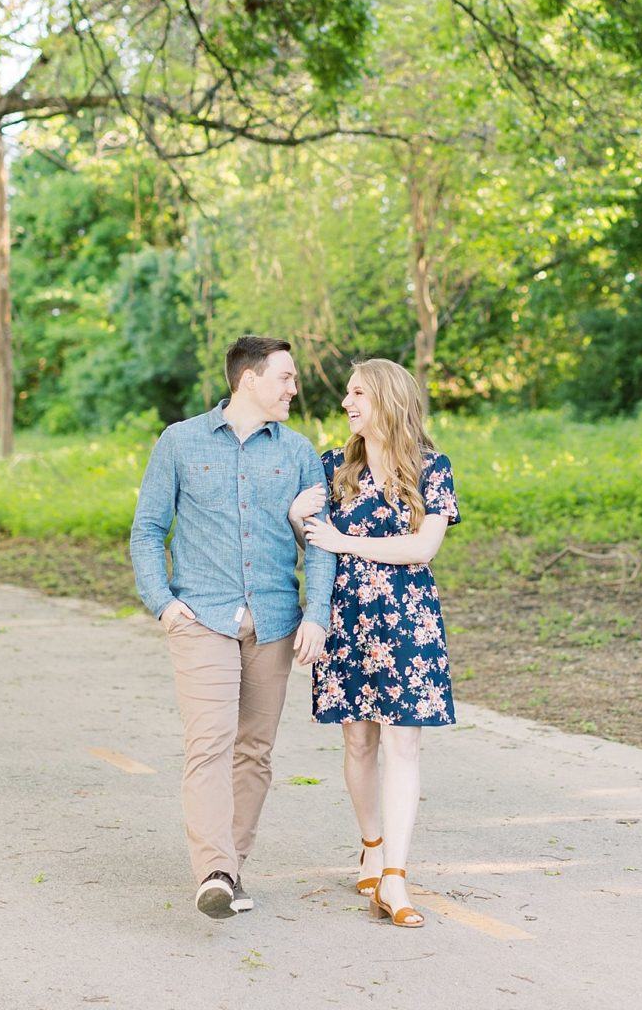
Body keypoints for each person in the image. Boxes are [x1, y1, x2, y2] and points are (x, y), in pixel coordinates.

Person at [130, 334, 333, 921]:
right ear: (250, 379)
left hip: (273, 620)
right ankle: (214, 869)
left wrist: (316, 613)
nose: (295, 387)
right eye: (286, 377)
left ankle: (232, 868)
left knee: (255, 751)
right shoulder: (179, 441)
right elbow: (148, 530)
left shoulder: (298, 451)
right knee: (210, 743)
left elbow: (317, 543)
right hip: (202, 618)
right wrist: (162, 603)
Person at [289, 357, 459, 929]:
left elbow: (422, 549)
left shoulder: (432, 469)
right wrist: (298, 519)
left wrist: (344, 540)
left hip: (407, 622)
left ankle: (395, 877)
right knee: (359, 743)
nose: (346, 403)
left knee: (402, 746)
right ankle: (371, 843)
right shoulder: (332, 467)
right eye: (346, 393)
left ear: (386, 397)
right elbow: (313, 542)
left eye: (357, 392)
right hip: (347, 619)